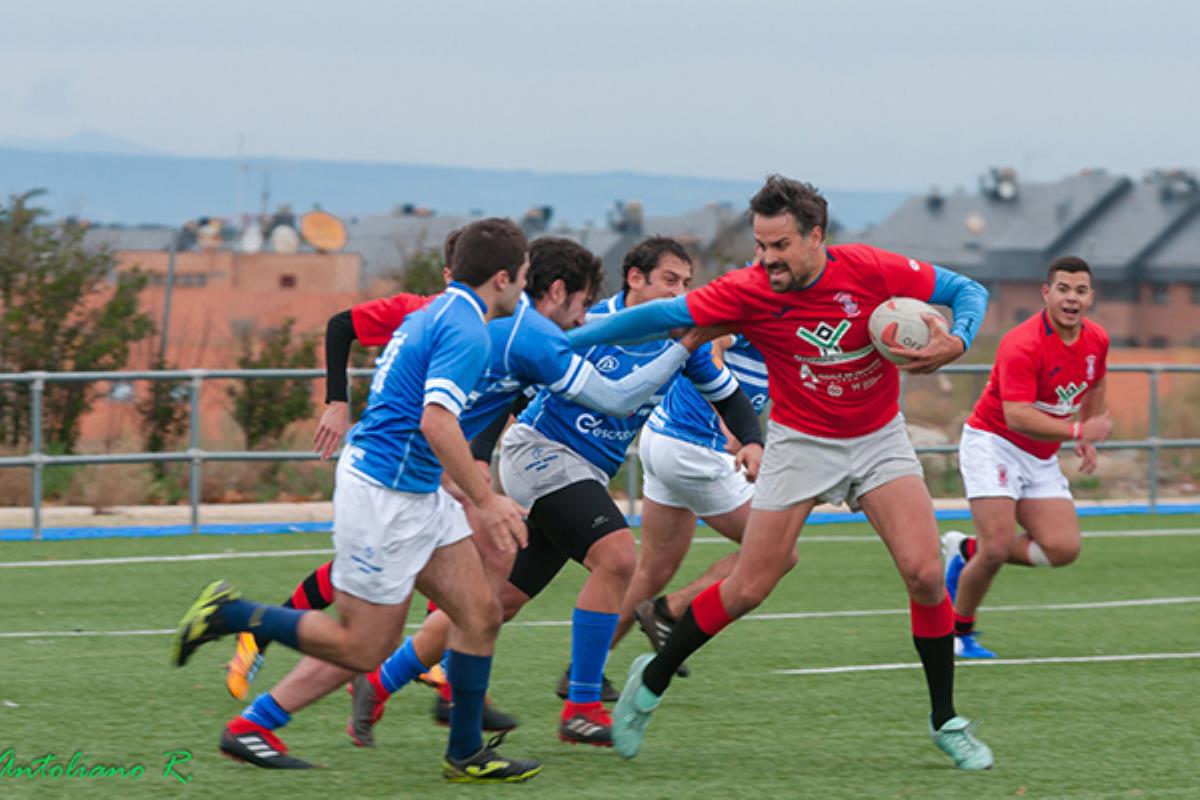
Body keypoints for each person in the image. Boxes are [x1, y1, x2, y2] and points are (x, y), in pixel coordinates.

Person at [565, 174, 996, 770]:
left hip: (877, 440)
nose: (767, 260)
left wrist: (959, 340)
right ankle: (652, 679)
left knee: (924, 574)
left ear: (816, 236)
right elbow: (661, 313)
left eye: (780, 246)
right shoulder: (748, 290)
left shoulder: (870, 269)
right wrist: (567, 339)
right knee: (749, 586)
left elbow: (966, 289)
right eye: (761, 246)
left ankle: (947, 721)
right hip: (800, 443)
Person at [171, 218, 543, 783]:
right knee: (365, 646)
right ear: (501, 277)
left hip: (410, 491)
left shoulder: (436, 313)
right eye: (524, 277)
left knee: (479, 613)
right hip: (384, 497)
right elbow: (437, 422)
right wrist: (486, 500)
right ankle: (231, 616)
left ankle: (465, 752)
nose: (525, 288)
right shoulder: (466, 329)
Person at [943, 255, 1111, 658]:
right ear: (1046, 293)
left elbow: (1097, 382)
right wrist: (1075, 430)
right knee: (997, 549)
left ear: (1091, 298)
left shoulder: (1097, 339)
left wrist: (1086, 436)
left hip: (1038, 455)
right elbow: (1017, 416)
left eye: (1081, 290)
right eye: (1063, 289)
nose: (1072, 298)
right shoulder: (1023, 343)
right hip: (993, 442)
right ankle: (959, 632)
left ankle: (963, 551)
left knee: (1063, 549)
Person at [603, 331, 768, 680]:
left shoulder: (791, 334)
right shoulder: (761, 309)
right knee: (775, 552)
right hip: (691, 450)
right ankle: (669, 611)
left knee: (653, 569)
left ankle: (583, 671)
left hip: (664, 439)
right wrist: (723, 405)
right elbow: (713, 342)